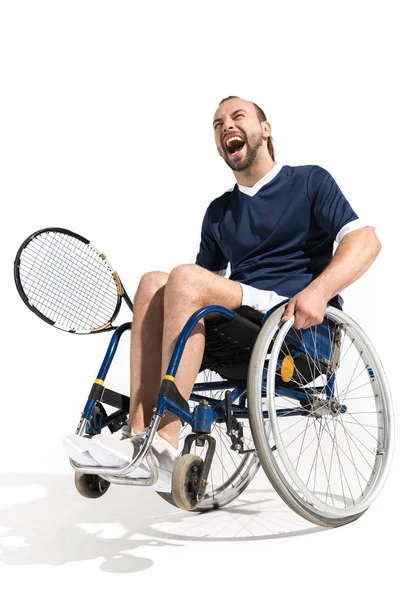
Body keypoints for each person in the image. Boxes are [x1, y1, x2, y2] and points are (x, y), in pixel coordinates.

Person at [62, 95, 381, 491]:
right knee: (152, 283)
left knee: (184, 277)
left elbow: (366, 242)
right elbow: (193, 292)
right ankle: (137, 436)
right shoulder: (219, 211)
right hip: (243, 326)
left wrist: (319, 291)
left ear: (265, 129)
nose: (226, 126)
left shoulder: (309, 181)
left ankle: (166, 442)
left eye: (237, 116)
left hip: (292, 329)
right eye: (217, 125)